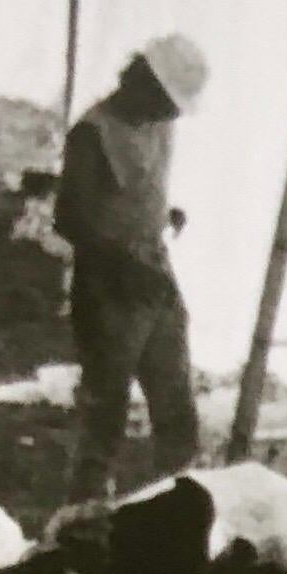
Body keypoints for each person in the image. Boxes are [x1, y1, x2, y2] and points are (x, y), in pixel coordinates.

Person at [57, 31, 207, 505]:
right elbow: (71, 216)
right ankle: (85, 518)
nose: (172, 115)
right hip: (108, 285)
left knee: (176, 403)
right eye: (168, 103)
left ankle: (181, 514)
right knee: (106, 410)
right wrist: (120, 260)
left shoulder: (159, 123)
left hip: (153, 273)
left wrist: (163, 216)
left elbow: (139, 188)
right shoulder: (94, 132)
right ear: (145, 84)